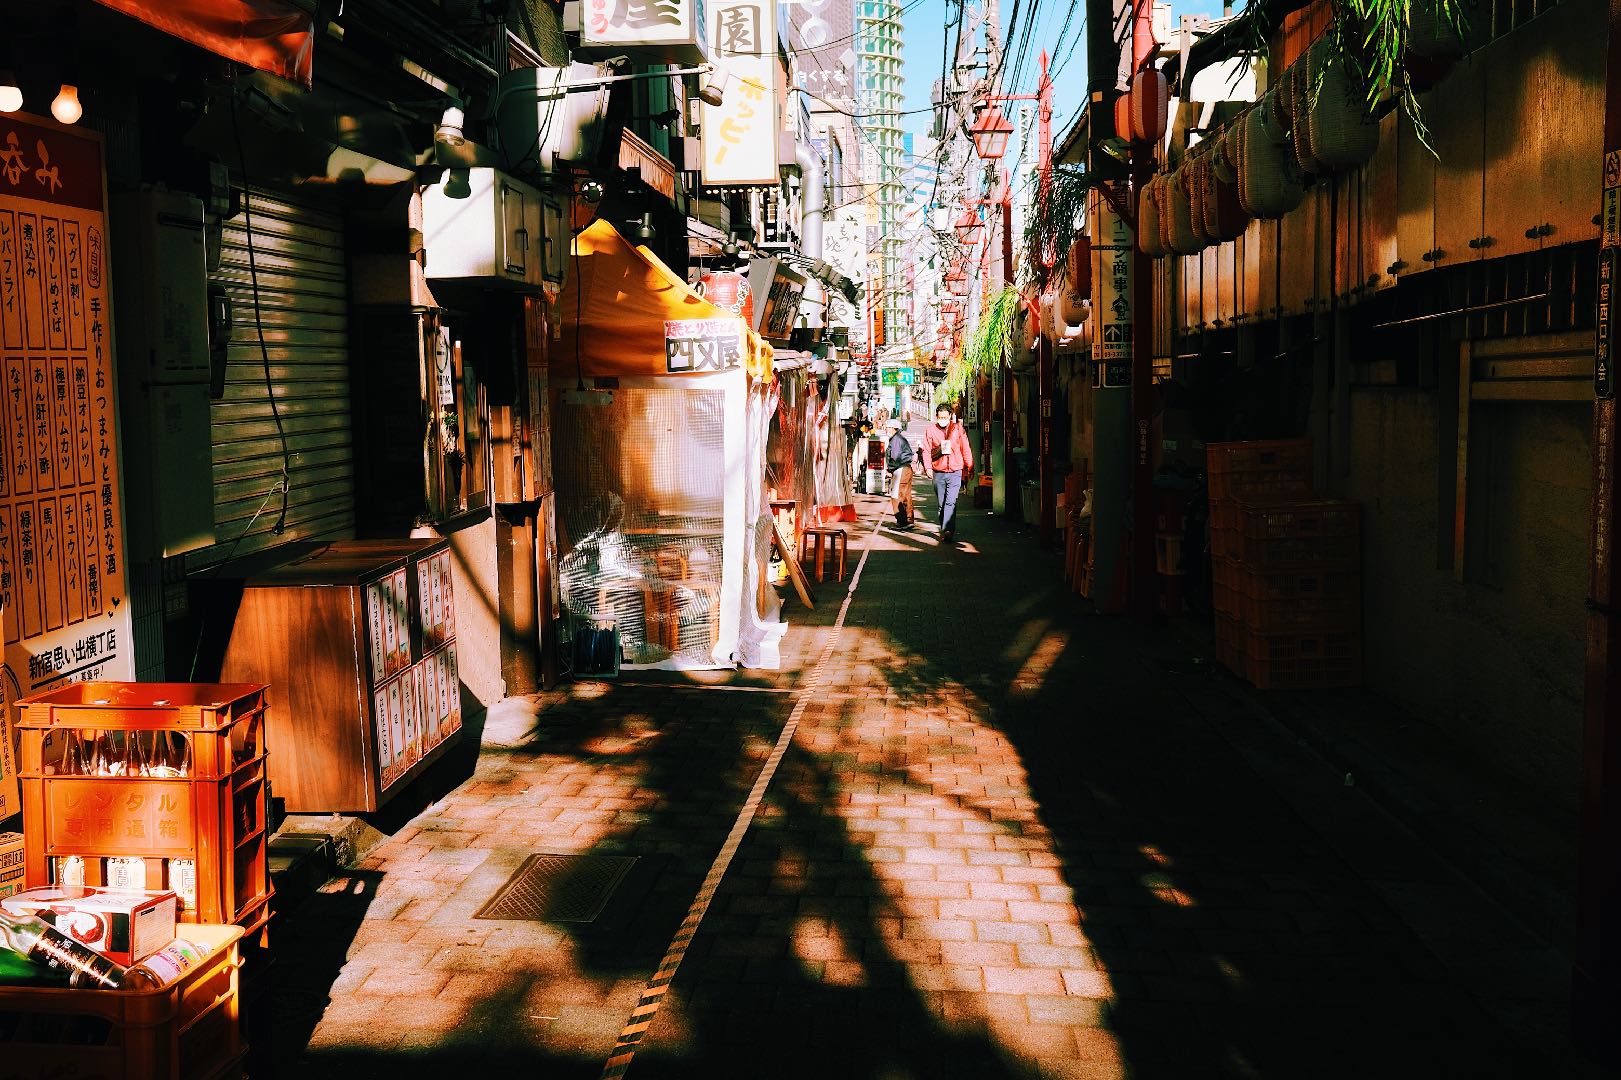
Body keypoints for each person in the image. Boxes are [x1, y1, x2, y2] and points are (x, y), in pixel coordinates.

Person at [919, 402, 974, 543]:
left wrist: (970, 466)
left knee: (950, 502)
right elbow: (926, 450)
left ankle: (948, 530)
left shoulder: (958, 429)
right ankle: (946, 528)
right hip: (938, 472)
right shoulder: (931, 431)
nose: (942, 420)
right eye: (939, 417)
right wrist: (928, 468)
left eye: (944, 417)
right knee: (941, 504)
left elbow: (965, 448)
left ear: (950, 416)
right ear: (936, 417)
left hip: (955, 471)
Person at [883, 418, 915, 528]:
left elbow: (895, 458)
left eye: (887, 427)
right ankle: (909, 520)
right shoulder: (900, 438)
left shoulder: (896, 439)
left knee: (897, 496)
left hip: (900, 469)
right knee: (906, 495)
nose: (886, 429)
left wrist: (889, 468)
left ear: (893, 428)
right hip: (906, 469)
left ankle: (902, 521)